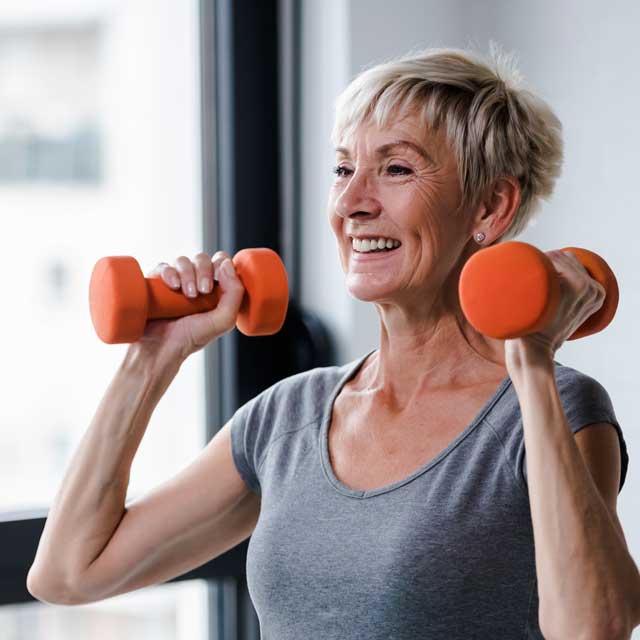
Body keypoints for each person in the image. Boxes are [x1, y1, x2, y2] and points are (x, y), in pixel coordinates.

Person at [27, 45, 637, 639]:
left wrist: (529, 358)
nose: (350, 203)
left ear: (491, 206)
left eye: (396, 169)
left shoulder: (552, 408)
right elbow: (68, 574)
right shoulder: (287, 417)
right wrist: (152, 359)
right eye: (344, 169)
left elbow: (594, 627)